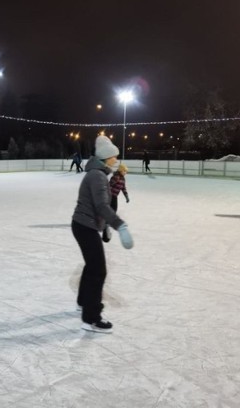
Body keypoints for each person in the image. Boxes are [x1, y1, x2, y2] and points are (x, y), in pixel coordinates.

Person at [72, 135, 133, 334]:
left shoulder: (97, 174)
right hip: (85, 226)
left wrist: (104, 225)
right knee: (98, 271)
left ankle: (83, 302)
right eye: (114, 157)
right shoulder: (97, 176)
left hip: (84, 225)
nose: (116, 160)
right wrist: (119, 225)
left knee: (92, 267)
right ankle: (91, 319)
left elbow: (98, 206)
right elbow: (101, 206)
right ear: (106, 158)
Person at [102, 163, 130, 242]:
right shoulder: (116, 177)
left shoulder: (123, 178)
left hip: (115, 196)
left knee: (114, 209)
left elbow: (123, 188)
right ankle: (106, 221)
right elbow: (109, 185)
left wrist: (126, 196)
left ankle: (107, 221)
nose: (125, 172)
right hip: (110, 195)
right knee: (112, 209)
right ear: (121, 171)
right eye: (124, 171)